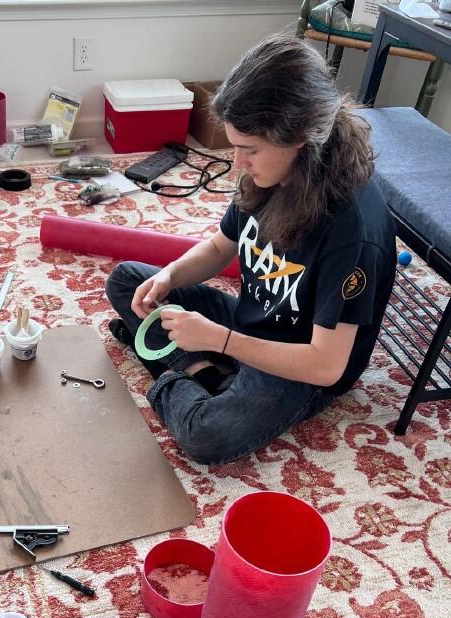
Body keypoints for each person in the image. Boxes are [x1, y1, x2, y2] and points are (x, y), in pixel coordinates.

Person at [105, 35, 397, 465]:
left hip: (301, 364)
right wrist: (169, 277)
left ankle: (176, 373)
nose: (236, 162)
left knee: (208, 437)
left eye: (249, 150)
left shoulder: (352, 229)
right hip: (252, 323)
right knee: (127, 279)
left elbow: (326, 366)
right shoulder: (269, 175)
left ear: (301, 138)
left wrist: (220, 340)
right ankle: (202, 373)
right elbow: (221, 247)